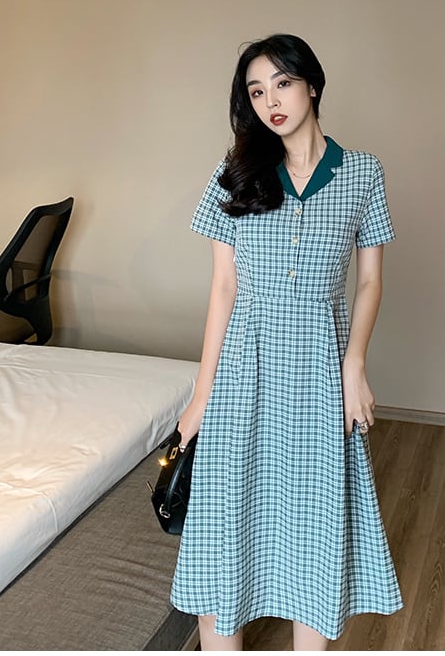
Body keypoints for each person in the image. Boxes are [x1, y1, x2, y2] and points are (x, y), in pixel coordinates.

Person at [171, 33, 402, 650]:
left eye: (282, 83)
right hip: (243, 372)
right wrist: (201, 395)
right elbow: (224, 289)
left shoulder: (362, 173)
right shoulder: (236, 174)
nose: (270, 101)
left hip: (319, 376)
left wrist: (354, 366)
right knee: (223, 539)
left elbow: (370, 281)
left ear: (312, 86)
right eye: (256, 91)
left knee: (313, 539)